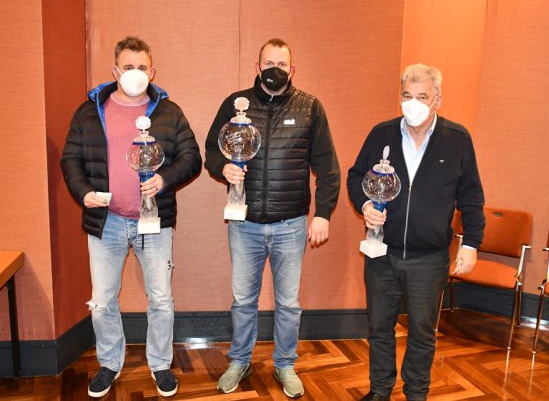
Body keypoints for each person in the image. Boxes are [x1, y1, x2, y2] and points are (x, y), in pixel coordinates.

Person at [61, 36, 201, 398]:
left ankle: (160, 364)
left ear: (152, 72)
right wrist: (83, 192)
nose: (135, 73)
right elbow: (71, 158)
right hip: (106, 221)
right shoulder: (90, 111)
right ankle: (109, 362)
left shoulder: (169, 112)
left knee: (161, 298)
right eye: (128, 67)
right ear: (115, 70)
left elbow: (191, 158)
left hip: (154, 221)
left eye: (142, 67)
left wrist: (164, 179)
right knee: (102, 301)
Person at [204, 38, 341, 398]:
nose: (274, 69)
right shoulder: (236, 105)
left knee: (289, 303)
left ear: (292, 70)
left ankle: (285, 364)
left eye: (281, 64)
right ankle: (240, 361)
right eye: (268, 63)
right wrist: (223, 168)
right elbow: (211, 150)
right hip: (244, 223)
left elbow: (328, 166)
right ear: (257, 66)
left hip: (290, 226)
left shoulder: (310, 107)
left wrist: (323, 214)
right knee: (243, 301)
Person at [347, 64, 485, 401]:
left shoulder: (457, 139)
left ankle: (416, 393)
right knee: (379, 327)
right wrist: (365, 204)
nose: (413, 103)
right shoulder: (381, 134)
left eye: (422, 97)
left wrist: (471, 243)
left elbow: (471, 197)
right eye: (407, 95)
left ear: (438, 99)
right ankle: (379, 391)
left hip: (429, 258)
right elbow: (355, 177)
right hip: (382, 252)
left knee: (422, 333)